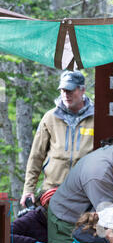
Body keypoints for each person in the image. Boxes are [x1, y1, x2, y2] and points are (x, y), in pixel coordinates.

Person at [20, 70, 94, 207]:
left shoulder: (97, 117)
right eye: (63, 90)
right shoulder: (50, 117)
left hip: (86, 192)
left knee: (82, 228)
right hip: (52, 190)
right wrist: (28, 189)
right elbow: (36, 155)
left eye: (70, 90)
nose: (66, 94)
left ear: (82, 90)